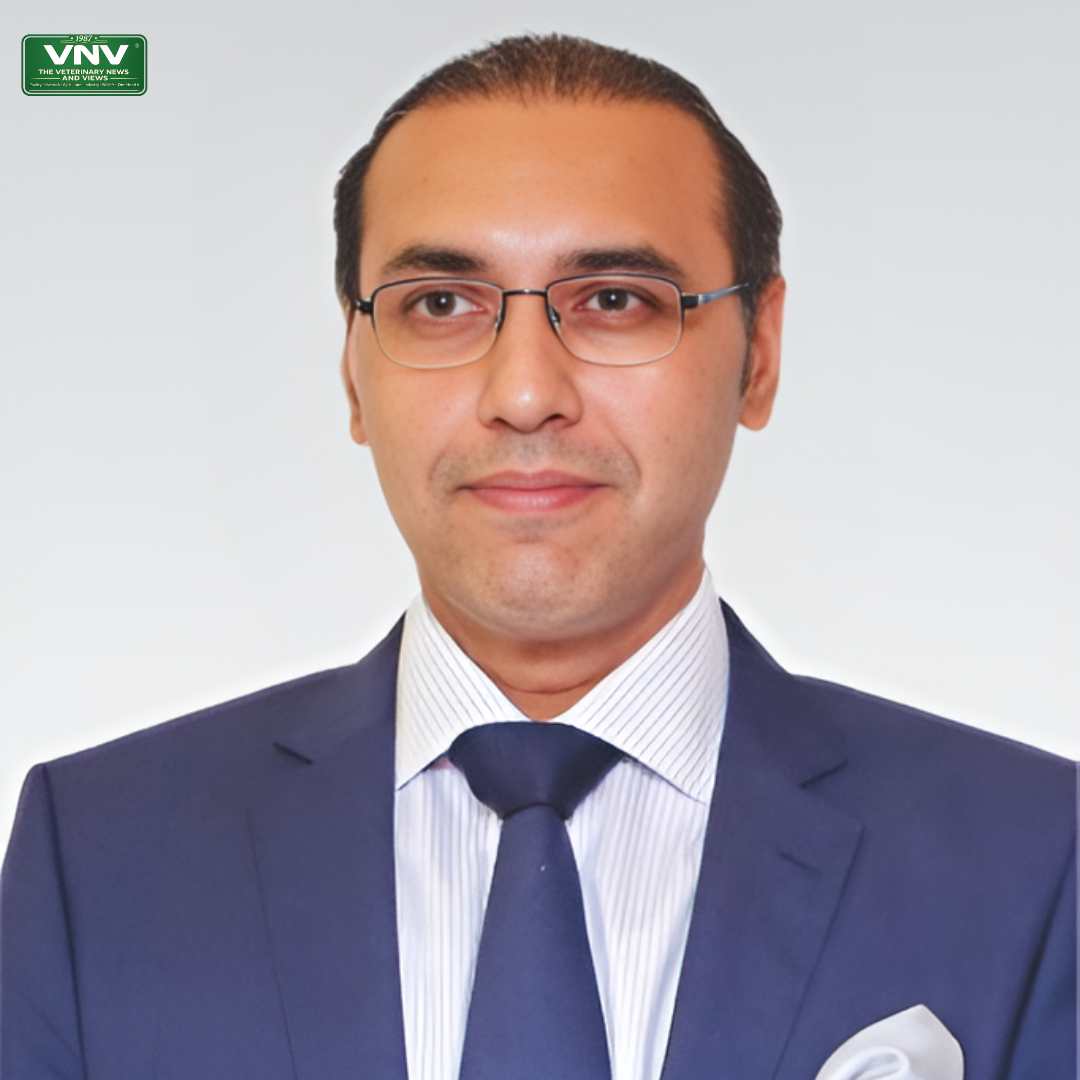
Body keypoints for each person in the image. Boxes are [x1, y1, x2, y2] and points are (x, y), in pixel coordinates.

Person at [2, 32, 1075, 1080]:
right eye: (439, 304)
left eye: (615, 300)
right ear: (352, 370)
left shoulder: (1035, 860)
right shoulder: (99, 858)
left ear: (759, 353)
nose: (524, 394)